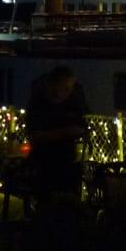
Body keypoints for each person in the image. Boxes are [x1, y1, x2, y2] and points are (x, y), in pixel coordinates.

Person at [25, 65, 89, 199]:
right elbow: (35, 136)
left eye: (69, 88)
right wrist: (65, 132)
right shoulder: (39, 107)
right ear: (53, 85)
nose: (67, 91)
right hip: (46, 164)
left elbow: (83, 125)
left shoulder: (72, 105)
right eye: (64, 87)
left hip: (68, 163)